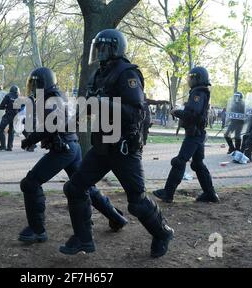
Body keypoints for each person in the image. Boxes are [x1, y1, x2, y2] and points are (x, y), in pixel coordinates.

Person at [61, 29, 173, 258]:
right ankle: (83, 239)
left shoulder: (127, 73)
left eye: (104, 48)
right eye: (98, 47)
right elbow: (90, 104)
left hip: (124, 148)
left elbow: (135, 111)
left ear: (116, 49)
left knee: (137, 203)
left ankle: (162, 233)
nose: (99, 52)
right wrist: (70, 122)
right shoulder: (98, 74)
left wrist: (103, 102)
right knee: (74, 187)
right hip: (102, 146)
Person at [18, 67, 128, 244]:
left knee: (30, 183)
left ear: (43, 83)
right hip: (71, 147)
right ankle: (116, 217)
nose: (33, 87)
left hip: (63, 150)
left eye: (36, 83)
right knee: (85, 187)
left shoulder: (51, 98)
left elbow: (51, 126)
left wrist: (30, 139)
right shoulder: (54, 96)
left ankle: (37, 230)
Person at [153, 67, 219, 204]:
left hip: (194, 135)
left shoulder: (198, 93)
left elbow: (192, 115)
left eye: (191, 77)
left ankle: (168, 193)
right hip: (198, 134)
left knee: (180, 161)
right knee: (198, 164)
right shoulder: (201, 92)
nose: (189, 80)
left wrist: (177, 112)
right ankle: (210, 193)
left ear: (197, 78)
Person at [0, 85, 20, 151]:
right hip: (15, 116)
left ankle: (3, 146)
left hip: (8, 115)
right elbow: (20, 108)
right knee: (11, 131)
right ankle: (10, 147)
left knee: (1, 130)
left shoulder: (8, 96)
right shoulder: (18, 97)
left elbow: (2, 105)